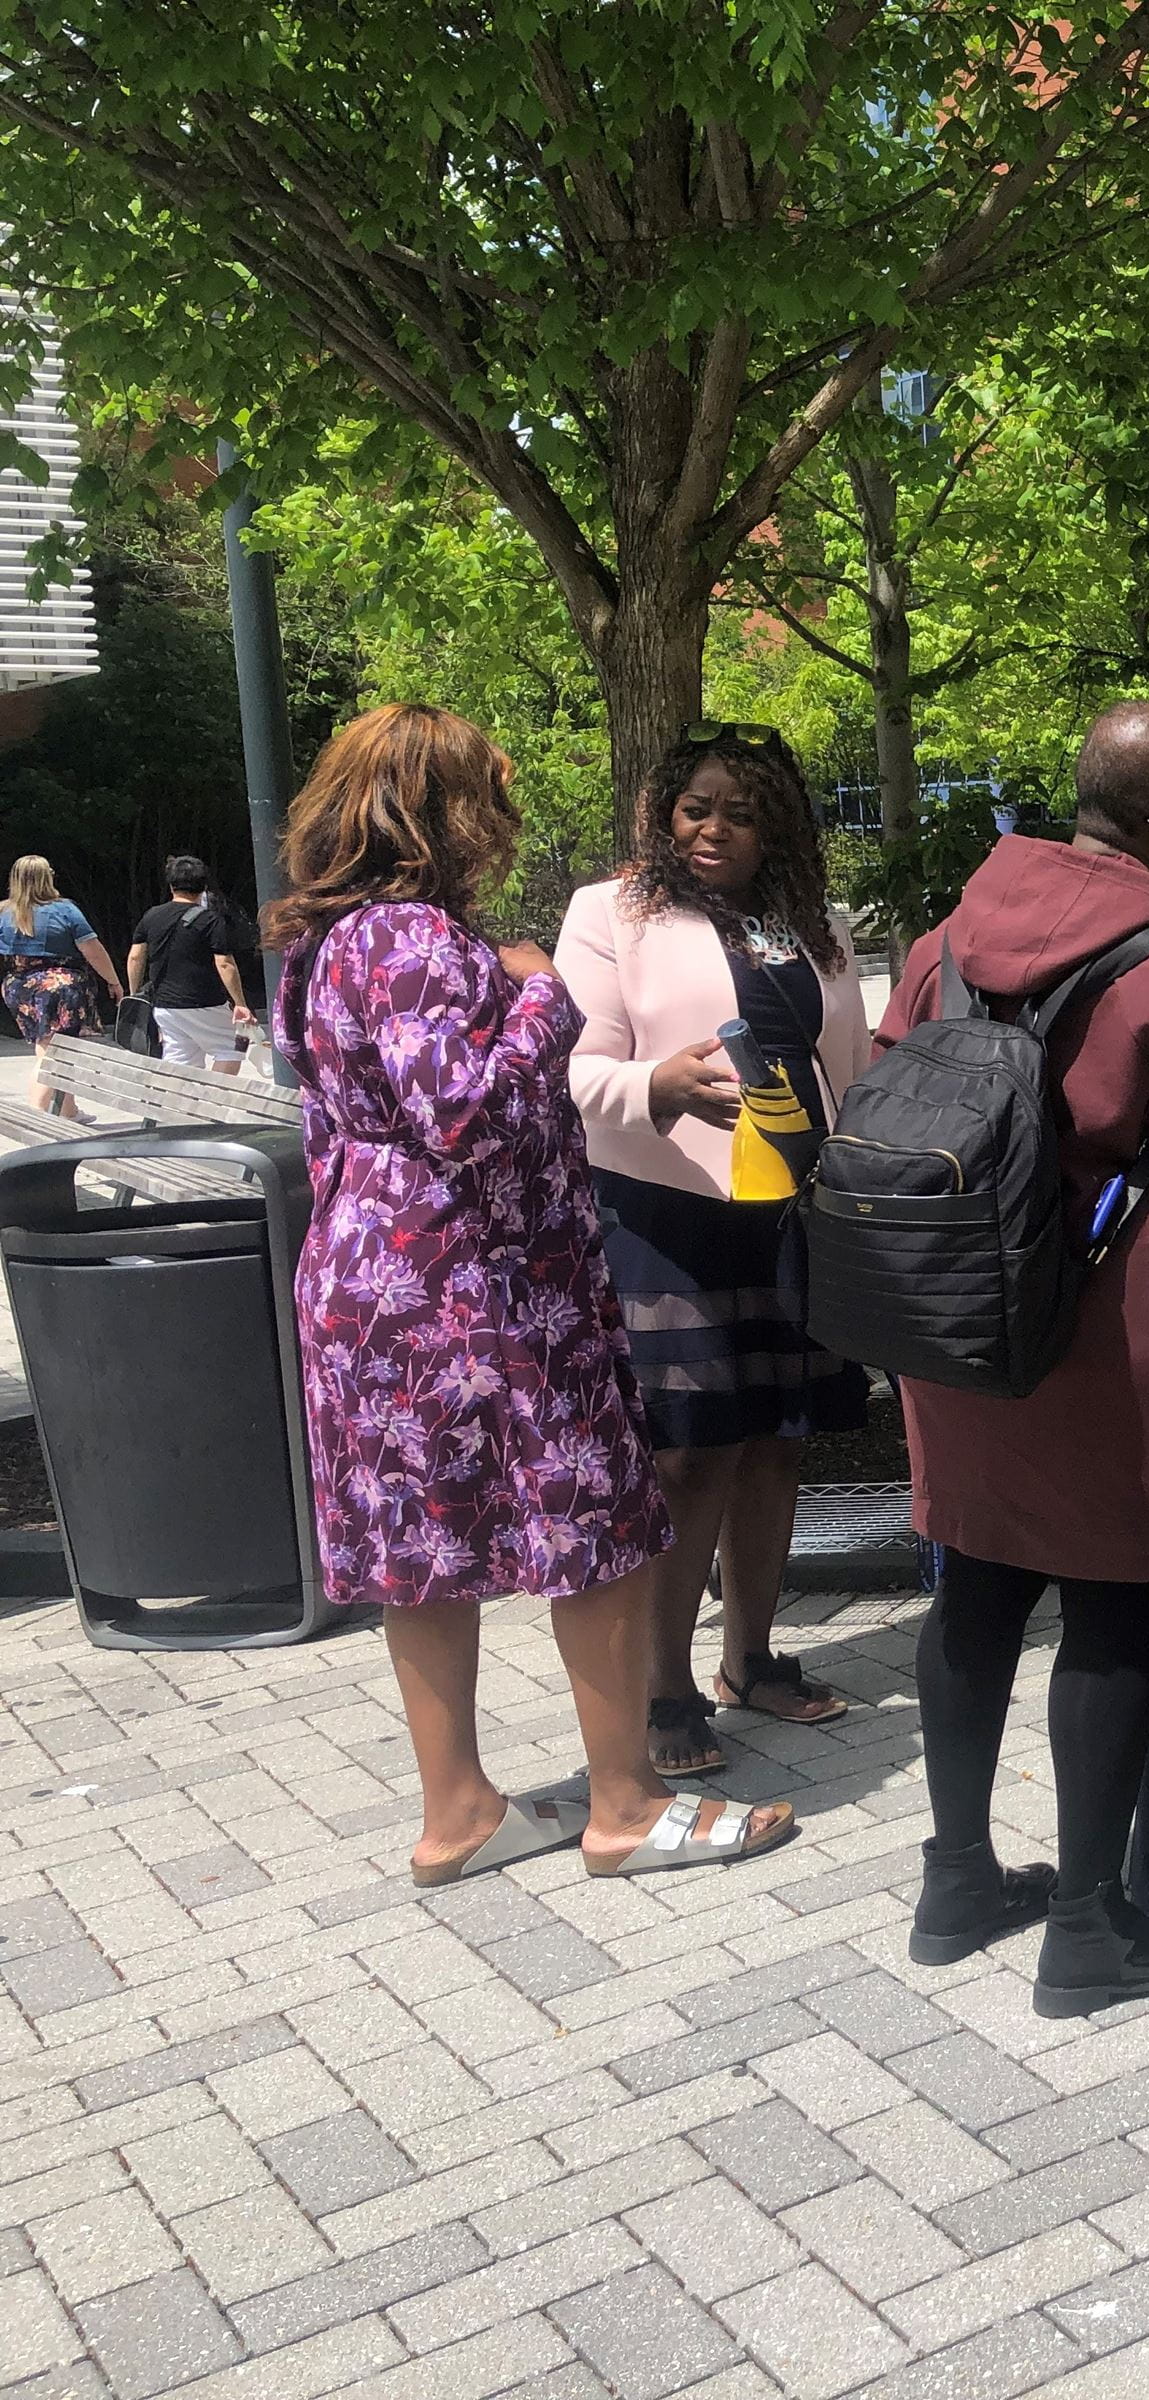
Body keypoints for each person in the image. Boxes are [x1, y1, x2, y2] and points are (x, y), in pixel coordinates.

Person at [267, 704, 795, 1883]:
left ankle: (457, 1813)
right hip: (478, 1288)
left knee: (421, 1540)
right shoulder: (407, 936)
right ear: (440, 807)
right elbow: (463, 1112)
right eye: (488, 792)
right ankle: (625, 1805)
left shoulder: (330, 939)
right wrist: (543, 994)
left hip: (376, 1282)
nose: (503, 815)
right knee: (595, 1524)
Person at [880, 699, 1149, 2010]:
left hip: (952, 1318)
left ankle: (953, 1885)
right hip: (1110, 1325)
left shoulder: (945, 942)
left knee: (978, 1587)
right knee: (1114, 1602)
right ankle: (1090, 1932)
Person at [559, 728, 872, 1782]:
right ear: (663, 813)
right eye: (695, 807)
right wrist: (657, 1088)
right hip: (667, 1210)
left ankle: (753, 1660)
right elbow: (571, 1069)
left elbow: (848, 1066)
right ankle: (664, 1687)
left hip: (791, 1207)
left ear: (776, 825)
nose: (714, 829)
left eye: (740, 812)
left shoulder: (812, 926)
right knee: (688, 1454)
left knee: (778, 1441)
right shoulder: (610, 916)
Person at [1, 856, 124, 1116]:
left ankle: (69, 1110)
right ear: (48, 877)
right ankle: (37, 1113)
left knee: (54, 1046)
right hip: (59, 987)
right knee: (51, 1051)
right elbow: (93, 950)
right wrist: (113, 981)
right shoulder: (64, 910)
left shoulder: (4, 912)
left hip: (19, 987)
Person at [127, 855, 258, 1074]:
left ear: (171, 886)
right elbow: (224, 963)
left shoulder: (151, 916)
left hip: (165, 1006)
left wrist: (134, 995)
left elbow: (135, 957)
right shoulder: (210, 919)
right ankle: (213, 1103)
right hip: (205, 1002)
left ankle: (182, 1107)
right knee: (231, 1048)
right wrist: (240, 1003)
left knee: (180, 1060)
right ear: (203, 887)